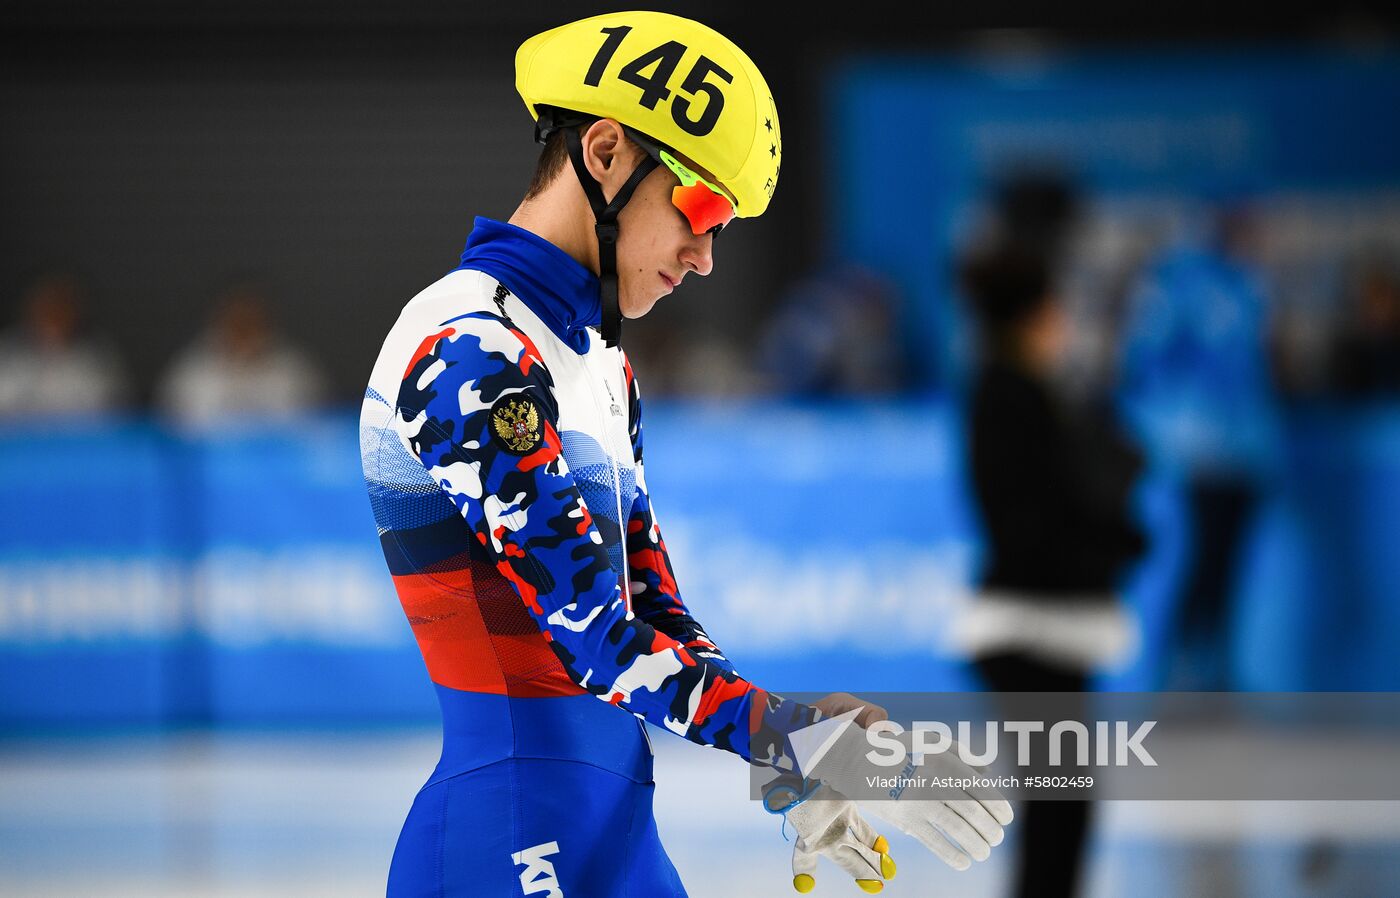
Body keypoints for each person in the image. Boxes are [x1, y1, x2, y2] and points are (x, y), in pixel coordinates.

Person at [359, 12, 1011, 896]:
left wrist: (796, 760)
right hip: (509, 843)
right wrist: (795, 737)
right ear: (605, 152)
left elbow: (654, 611)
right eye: (700, 207)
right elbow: (596, 638)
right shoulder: (468, 348)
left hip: (612, 831)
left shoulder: (596, 362)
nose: (705, 257)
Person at [953, 242, 1147, 898]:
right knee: (1061, 804)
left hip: (1045, 622)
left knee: (1064, 803)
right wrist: (1110, 539)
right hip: (1030, 627)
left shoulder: (1029, 391)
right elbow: (1029, 518)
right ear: (1038, 314)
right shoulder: (1010, 395)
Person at [157, 283, 325, 426]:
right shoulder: (190, 373)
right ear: (218, 317)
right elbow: (173, 435)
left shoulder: (295, 372)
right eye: (237, 316)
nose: (244, 324)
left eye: (251, 316)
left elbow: (315, 431)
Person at [0, 273, 130, 417]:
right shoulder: (7, 353)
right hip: (16, 437)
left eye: (60, 309)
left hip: (80, 437)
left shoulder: (96, 359)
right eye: (47, 309)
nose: (53, 316)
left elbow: (115, 410)